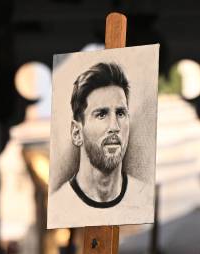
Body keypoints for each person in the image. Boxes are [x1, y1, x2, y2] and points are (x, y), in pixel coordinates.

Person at [48, 63, 152, 228]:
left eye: (120, 113)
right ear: (77, 132)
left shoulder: (145, 199)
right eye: (101, 114)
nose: (114, 127)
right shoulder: (58, 208)